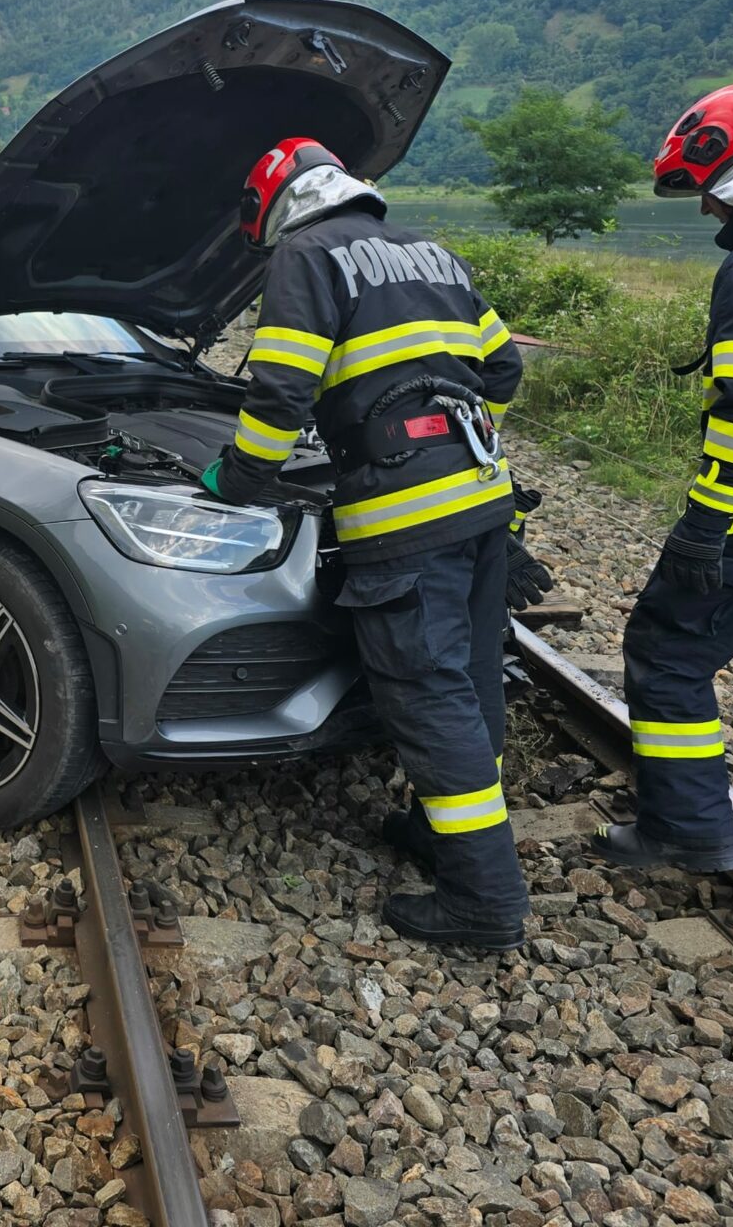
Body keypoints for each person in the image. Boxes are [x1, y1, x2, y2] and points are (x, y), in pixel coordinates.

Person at [203, 138, 531, 950]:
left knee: (429, 693)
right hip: (483, 504)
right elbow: (505, 372)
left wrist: (240, 480)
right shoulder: (432, 253)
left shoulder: (307, 256)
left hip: (404, 515)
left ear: (276, 199)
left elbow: (281, 390)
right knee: (472, 678)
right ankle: (440, 832)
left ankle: (483, 904)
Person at [592, 85, 733, 874]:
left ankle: (684, 833)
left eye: (708, 191)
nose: (706, 213)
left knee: (666, 654)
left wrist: (705, 526)